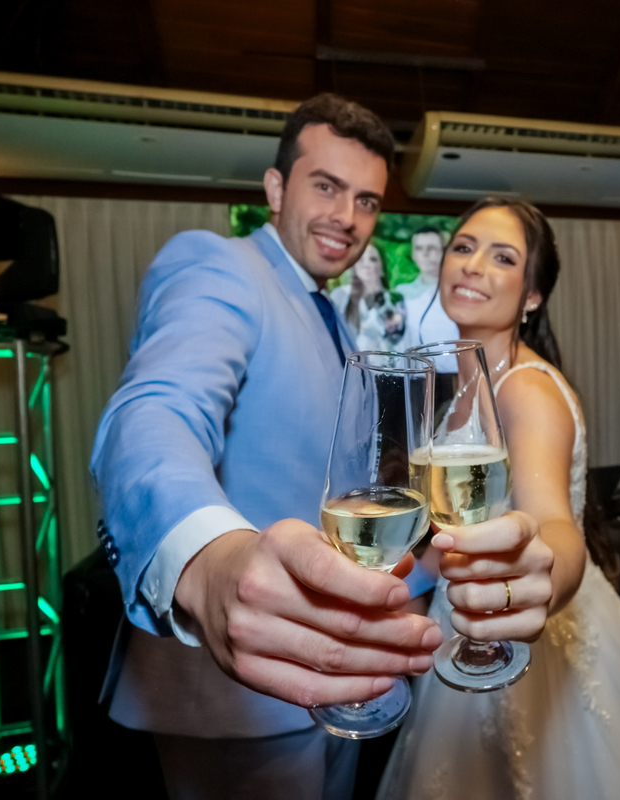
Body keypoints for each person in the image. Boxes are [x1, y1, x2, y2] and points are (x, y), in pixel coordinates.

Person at [89, 94, 447, 800]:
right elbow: (155, 412)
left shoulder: (330, 315)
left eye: (367, 201)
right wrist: (206, 561)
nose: (347, 217)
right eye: (326, 187)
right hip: (234, 699)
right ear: (276, 188)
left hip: (333, 676)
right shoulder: (218, 265)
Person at [378, 198, 620, 800]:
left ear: (532, 295)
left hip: (531, 641)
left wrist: (535, 591)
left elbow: (556, 528)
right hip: (464, 623)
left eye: (502, 257)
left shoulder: (525, 391)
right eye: (464, 247)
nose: (473, 265)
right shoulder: (462, 392)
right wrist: (390, 583)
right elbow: (449, 543)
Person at [329, 243, 407, 350]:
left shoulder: (396, 300)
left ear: (382, 267)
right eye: (360, 260)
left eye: (372, 259)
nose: (366, 265)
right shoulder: (341, 295)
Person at [399, 226, 460, 350]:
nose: (425, 254)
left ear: (443, 252)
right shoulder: (402, 293)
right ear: (413, 254)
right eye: (419, 248)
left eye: (431, 248)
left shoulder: (458, 291)